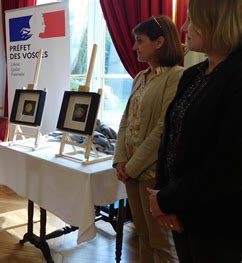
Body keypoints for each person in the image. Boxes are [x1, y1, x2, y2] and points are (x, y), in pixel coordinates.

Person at [147, 1, 242, 262]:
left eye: (191, 20)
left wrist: (167, 199)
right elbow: (169, 139)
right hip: (181, 209)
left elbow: (228, 163)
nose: (183, 27)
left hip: (218, 218)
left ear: (217, 22)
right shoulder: (193, 74)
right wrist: (163, 199)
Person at [113, 15, 184, 262]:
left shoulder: (176, 77)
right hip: (131, 172)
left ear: (160, 42)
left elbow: (162, 130)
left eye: (139, 41)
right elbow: (125, 120)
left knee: (161, 242)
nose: (134, 47)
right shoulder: (140, 77)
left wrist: (131, 167)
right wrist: (120, 160)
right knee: (142, 234)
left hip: (152, 173)